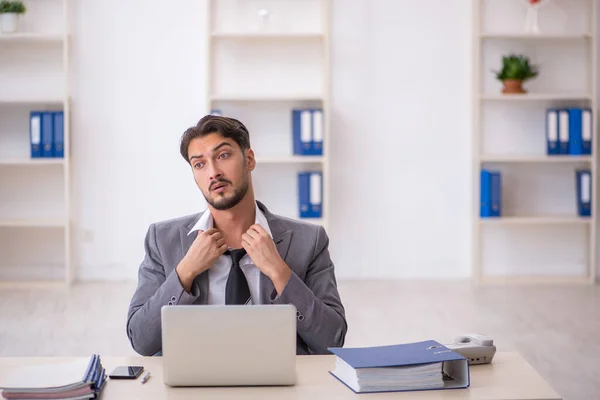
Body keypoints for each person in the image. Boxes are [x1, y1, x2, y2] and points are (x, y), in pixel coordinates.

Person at [126, 115, 347, 356]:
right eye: (199, 164)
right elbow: (141, 340)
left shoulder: (309, 240)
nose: (213, 172)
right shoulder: (161, 240)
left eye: (223, 156)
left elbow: (332, 340)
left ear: (249, 159)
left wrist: (280, 273)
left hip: (276, 385)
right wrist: (185, 272)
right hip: (194, 385)